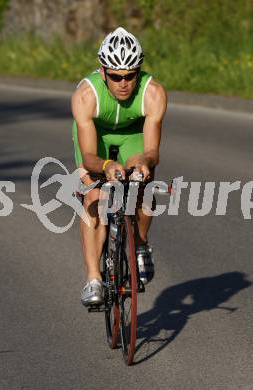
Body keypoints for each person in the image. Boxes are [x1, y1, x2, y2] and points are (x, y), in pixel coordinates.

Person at [71, 27, 167, 307]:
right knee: (92, 197)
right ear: (103, 73)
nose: (123, 83)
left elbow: (151, 151)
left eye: (130, 76)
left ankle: (139, 244)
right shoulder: (86, 96)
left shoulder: (154, 93)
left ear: (139, 72)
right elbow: (88, 154)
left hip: (133, 134)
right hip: (96, 138)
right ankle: (93, 278)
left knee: (143, 185)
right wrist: (106, 164)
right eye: (115, 77)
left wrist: (144, 163)